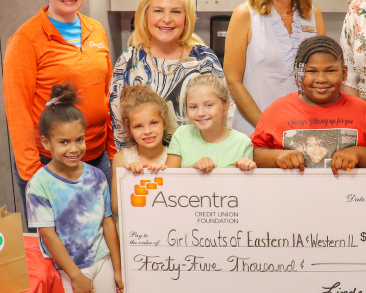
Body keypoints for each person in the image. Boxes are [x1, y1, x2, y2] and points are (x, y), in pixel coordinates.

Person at [4, 0, 116, 232]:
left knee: (99, 240)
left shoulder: (97, 31)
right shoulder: (26, 40)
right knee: (56, 248)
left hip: (97, 157)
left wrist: (113, 153)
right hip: (49, 163)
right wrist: (34, 176)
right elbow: (17, 112)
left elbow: (109, 96)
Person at [26, 84, 123, 293]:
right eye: (64, 142)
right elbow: (48, 235)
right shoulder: (39, 185)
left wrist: (117, 267)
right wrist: (76, 275)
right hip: (67, 269)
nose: (74, 148)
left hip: (102, 259)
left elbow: (107, 222)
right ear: (46, 142)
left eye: (79, 139)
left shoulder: (97, 176)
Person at [224, 0, 326, 136]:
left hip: (305, 132)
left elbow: (322, 77)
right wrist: (268, 128)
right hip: (256, 132)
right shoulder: (245, 15)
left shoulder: (314, 16)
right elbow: (233, 80)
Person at [110, 0, 223, 151]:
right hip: (144, 168)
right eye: (159, 11)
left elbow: (222, 119)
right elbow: (119, 129)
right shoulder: (128, 62)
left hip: (198, 165)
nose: (167, 19)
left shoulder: (205, 60)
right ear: (145, 14)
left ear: (187, 17)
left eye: (176, 12)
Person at [252, 36, 366, 175]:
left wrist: (358, 154)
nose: (321, 79)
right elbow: (254, 154)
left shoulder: (363, 110)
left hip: (350, 195)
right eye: (312, 71)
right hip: (291, 194)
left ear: (344, 73)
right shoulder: (277, 111)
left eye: (330, 71)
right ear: (298, 74)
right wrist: (276, 157)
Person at [165, 74, 256, 172]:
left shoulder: (242, 143)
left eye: (209, 105)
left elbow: (246, 184)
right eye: (193, 107)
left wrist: (247, 168)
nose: (200, 113)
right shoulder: (181, 135)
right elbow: (170, 179)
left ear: (225, 107)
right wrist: (193, 169)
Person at [111, 86, 171, 216]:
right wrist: (129, 177)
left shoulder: (173, 158)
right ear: (129, 129)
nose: (147, 131)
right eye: (138, 126)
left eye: (154, 123)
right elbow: (115, 209)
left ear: (164, 122)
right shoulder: (121, 158)